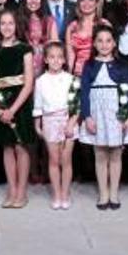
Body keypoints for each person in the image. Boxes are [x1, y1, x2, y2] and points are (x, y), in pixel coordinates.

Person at [79, 25, 128, 210]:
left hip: (116, 113)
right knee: (100, 154)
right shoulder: (89, 65)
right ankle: (103, 193)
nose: (104, 44)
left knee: (116, 153)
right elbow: (83, 92)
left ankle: (114, 192)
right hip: (97, 113)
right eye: (100, 40)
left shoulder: (121, 65)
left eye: (108, 40)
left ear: (114, 43)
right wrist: (87, 117)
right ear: (94, 43)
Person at [0, 9, 35, 209]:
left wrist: (13, 109)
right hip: (0, 102)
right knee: (7, 146)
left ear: (17, 26)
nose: (7, 27)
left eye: (11, 23)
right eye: (3, 23)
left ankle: (22, 191)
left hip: (20, 104)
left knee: (20, 146)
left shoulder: (25, 49)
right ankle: (12, 189)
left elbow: (29, 82)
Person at [32, 42, 77, 210]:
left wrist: (71, 123)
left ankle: (65, 193)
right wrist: (38, 124)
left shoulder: (70, 79)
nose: (56, 60)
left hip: (67, 120)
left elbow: (76, 104)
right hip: (49, 121)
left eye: (59, 57)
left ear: (64, 59)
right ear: (45, 60)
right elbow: (38, 104)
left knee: (66, 159)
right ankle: (56, 193)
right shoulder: (41, 81)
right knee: (54, 159)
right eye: (52, 57)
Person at [66, 0, 109, 76]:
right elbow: (70, 56)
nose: (86, 3)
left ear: (96, 3)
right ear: (78, 3)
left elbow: (110, 54)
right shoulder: (72, 27)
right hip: (79, 74)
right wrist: (69, 78)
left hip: (101, 73)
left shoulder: (104, 24)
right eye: (82, 0)